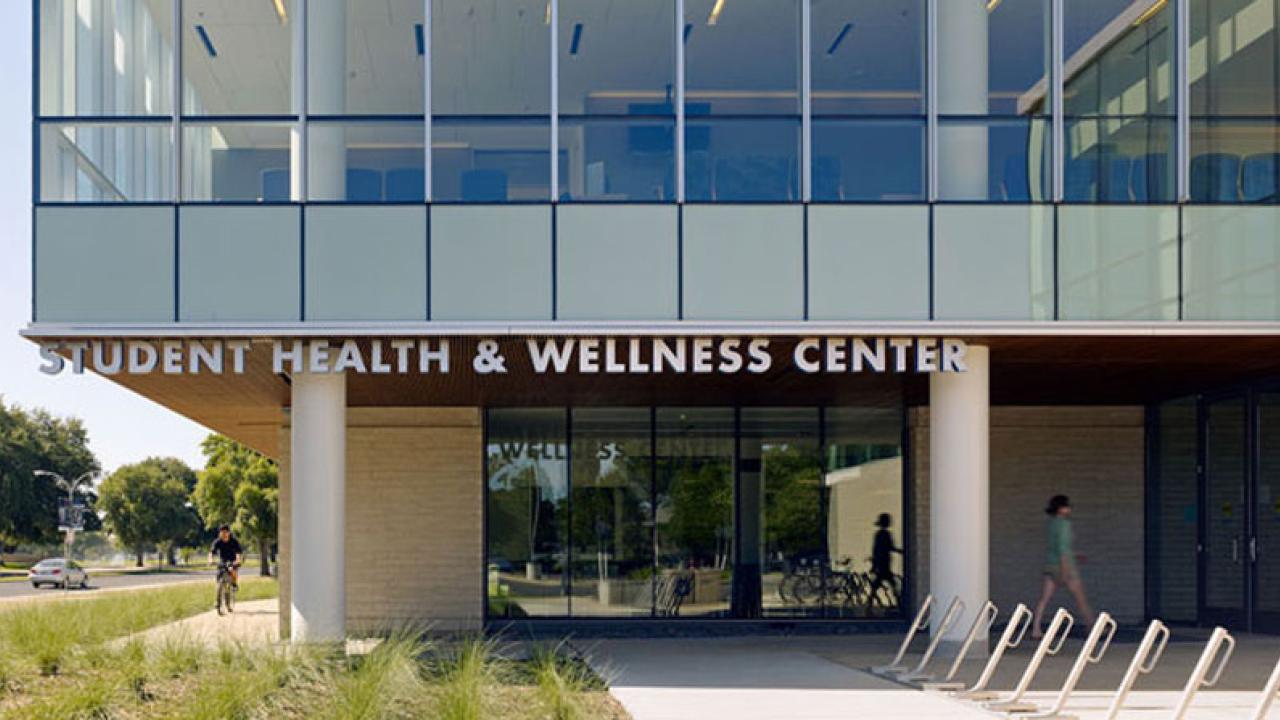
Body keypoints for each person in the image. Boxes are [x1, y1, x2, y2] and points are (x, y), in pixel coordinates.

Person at [1032, 495, 1095, 638]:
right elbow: (1063, 549)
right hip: (1066, 566)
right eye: (1067, 506)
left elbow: (1056, 547)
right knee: (1081, 599)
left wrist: (1075, 555)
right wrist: (1065, 571)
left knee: (1044, 599)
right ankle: (1091, 626)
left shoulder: (1051, 523)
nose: (1069, 509)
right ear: (1061, 508)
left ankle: (1036, 628)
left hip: (1050, 564)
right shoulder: (1065, 525)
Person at [868, 513, 903, 607]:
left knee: (878, 584)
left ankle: (869, 603)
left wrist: (874, 565)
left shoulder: (878, 535)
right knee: (892, 584)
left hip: (881, 564)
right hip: (884, 564)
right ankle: (899, 603)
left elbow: (875, 550)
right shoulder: (886, 535)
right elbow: (890, 547)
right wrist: (901, 551)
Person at [209, 525, 243, 590]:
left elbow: (238, 552)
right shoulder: (218, 541)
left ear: (229, 533)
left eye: (225, 532)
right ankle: (219, 587)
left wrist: (238, 560)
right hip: (223, 561)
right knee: (219, 573)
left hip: (233, 560)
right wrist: (210, 559)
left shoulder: (234, 541)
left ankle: (234, 584)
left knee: (232, 570)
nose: (224, 534)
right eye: (222, 532)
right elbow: (212, 552)